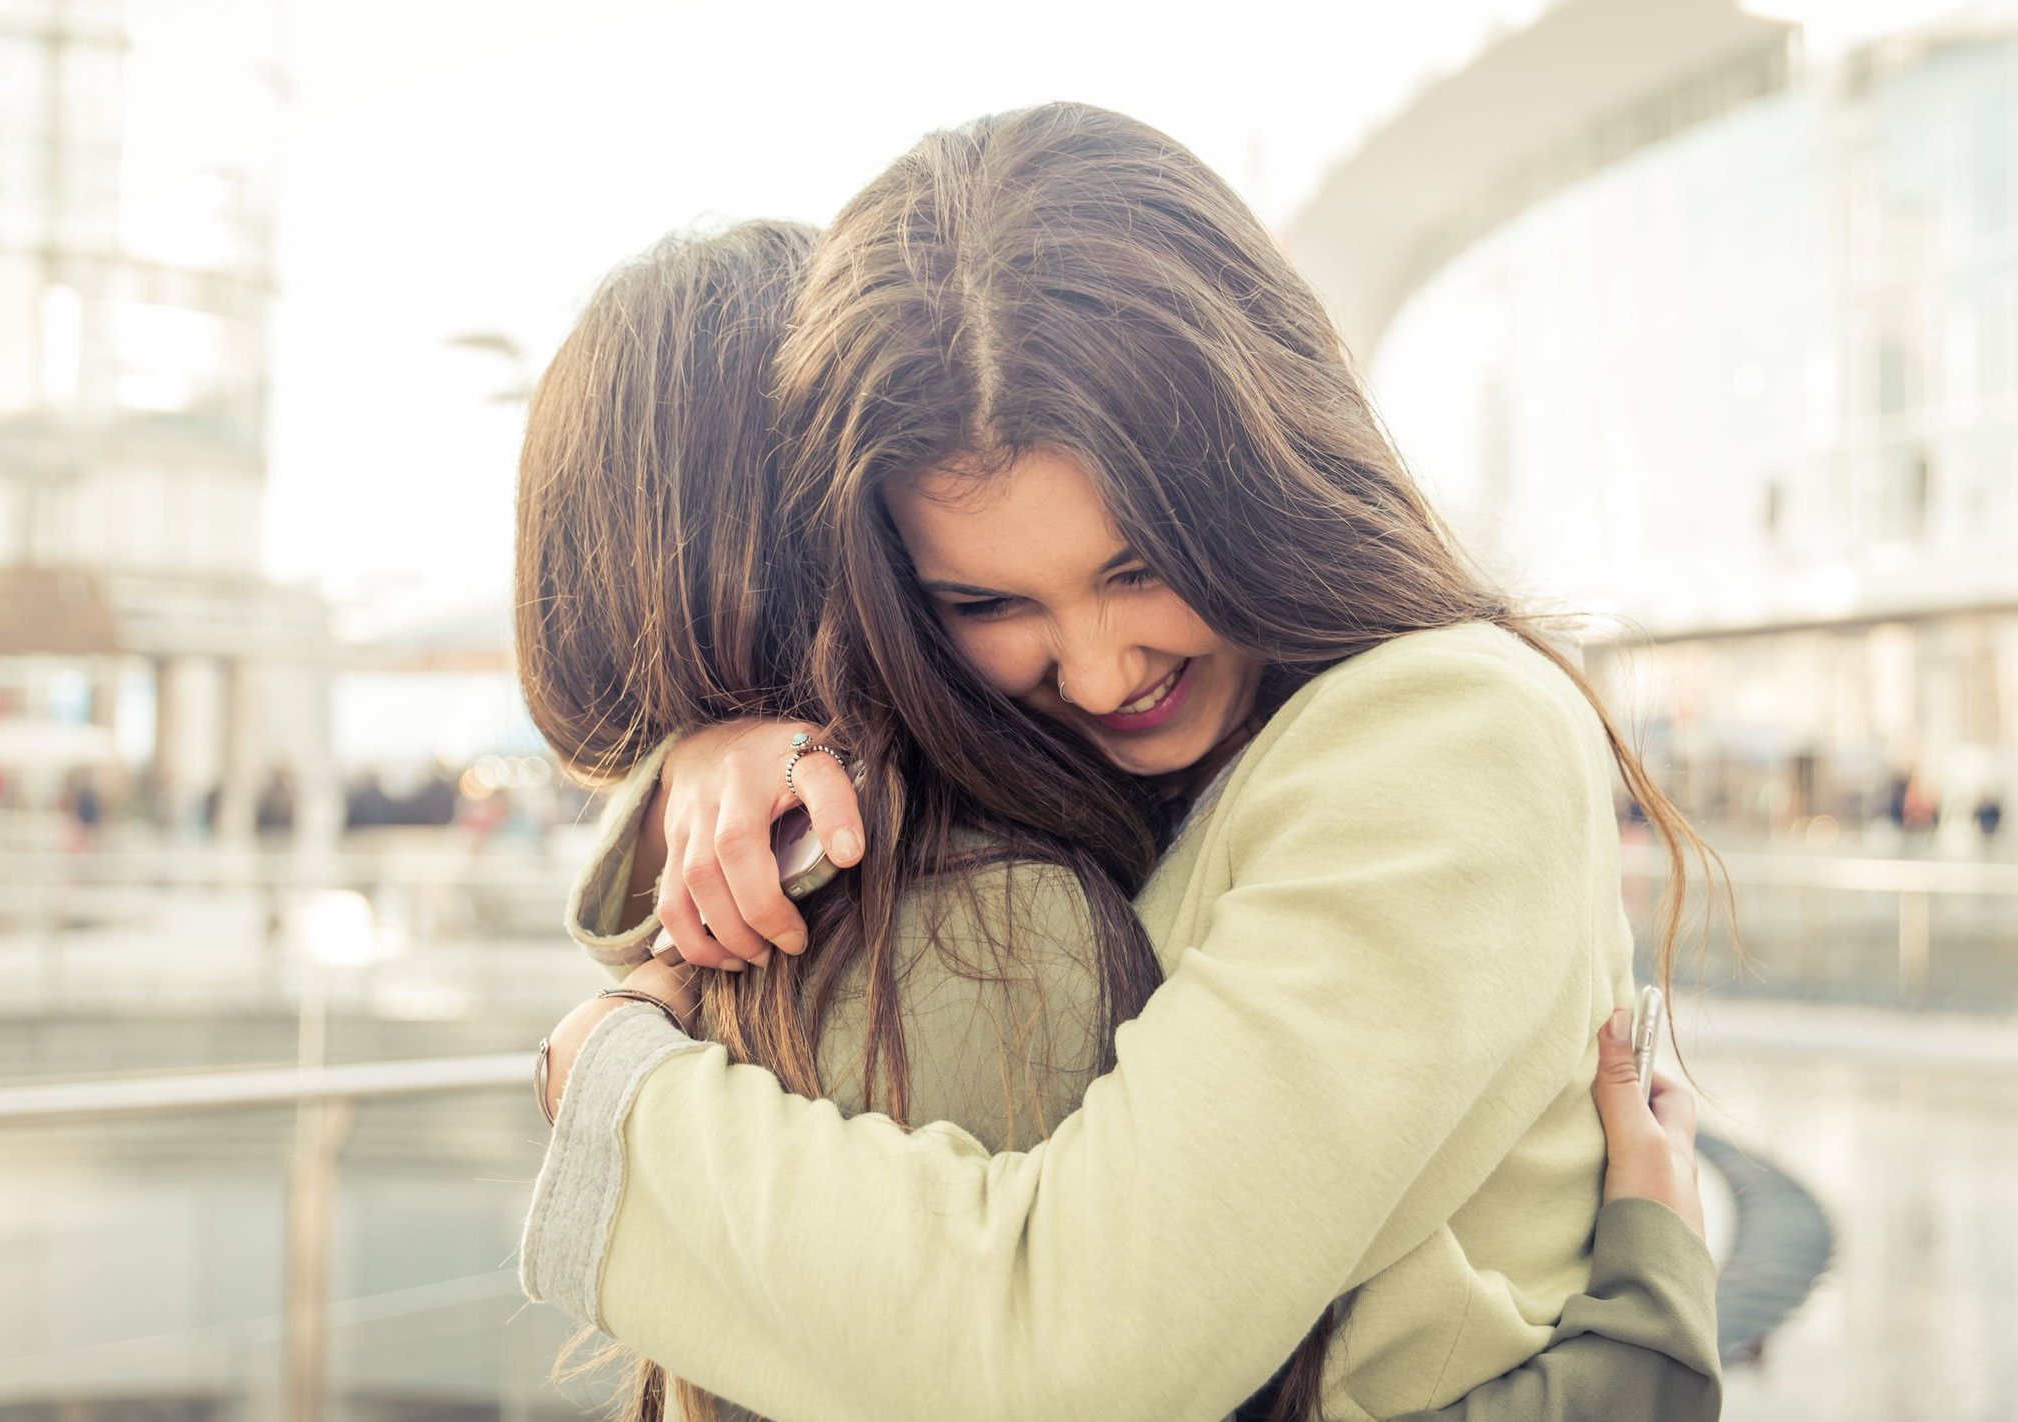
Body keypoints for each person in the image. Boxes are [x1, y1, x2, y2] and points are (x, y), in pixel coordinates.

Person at [523, 106, 1724, 1422]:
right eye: (987, 605)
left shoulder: (1449, 730)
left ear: (1259, 477)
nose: (1097, 672)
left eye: (1141, 565)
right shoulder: (1080, 772)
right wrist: (713, 769)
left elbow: (1081, 1353)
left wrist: (612, 1092)